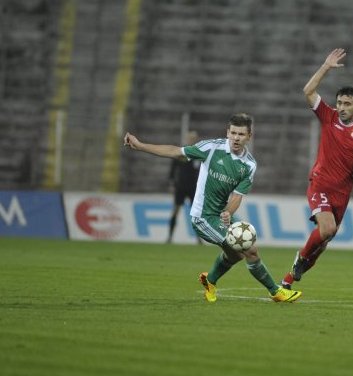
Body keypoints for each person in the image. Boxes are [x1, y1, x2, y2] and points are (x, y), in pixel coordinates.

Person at [124, 113, 301, 303]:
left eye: (241, 134)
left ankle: (210, 280)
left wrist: (228, 213)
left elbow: (237, 197)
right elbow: (175, 152)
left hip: (220, 215)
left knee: (237, 255)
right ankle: (276, 291)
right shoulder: (211, 148)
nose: (236, 138)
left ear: (249, 136)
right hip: (202, 217)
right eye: (233, 133)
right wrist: (141, 146)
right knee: (249, 251)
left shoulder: (249, 164)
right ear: (227, 132)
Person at [280, 48, 353, 290]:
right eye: (340, 103)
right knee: (327, 228)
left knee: (323, 241)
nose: (342, 107)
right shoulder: (329, 116)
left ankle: (287, 280)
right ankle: (300, 258)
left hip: (342, 192)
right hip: (320, 183)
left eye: (347, 104)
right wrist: (326, 66)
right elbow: (308, 91)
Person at [166, 129, 202, 243]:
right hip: (180, 186)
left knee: (196, 215)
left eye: (194, 138)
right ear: (187, 138)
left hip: (193, 188)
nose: (192, 139)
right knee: (175, 210)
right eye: (191, 137)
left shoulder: (199, 153)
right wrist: (171, 182)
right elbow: (173, 168)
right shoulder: (181, 151)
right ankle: (170, 237)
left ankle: (199, 239)